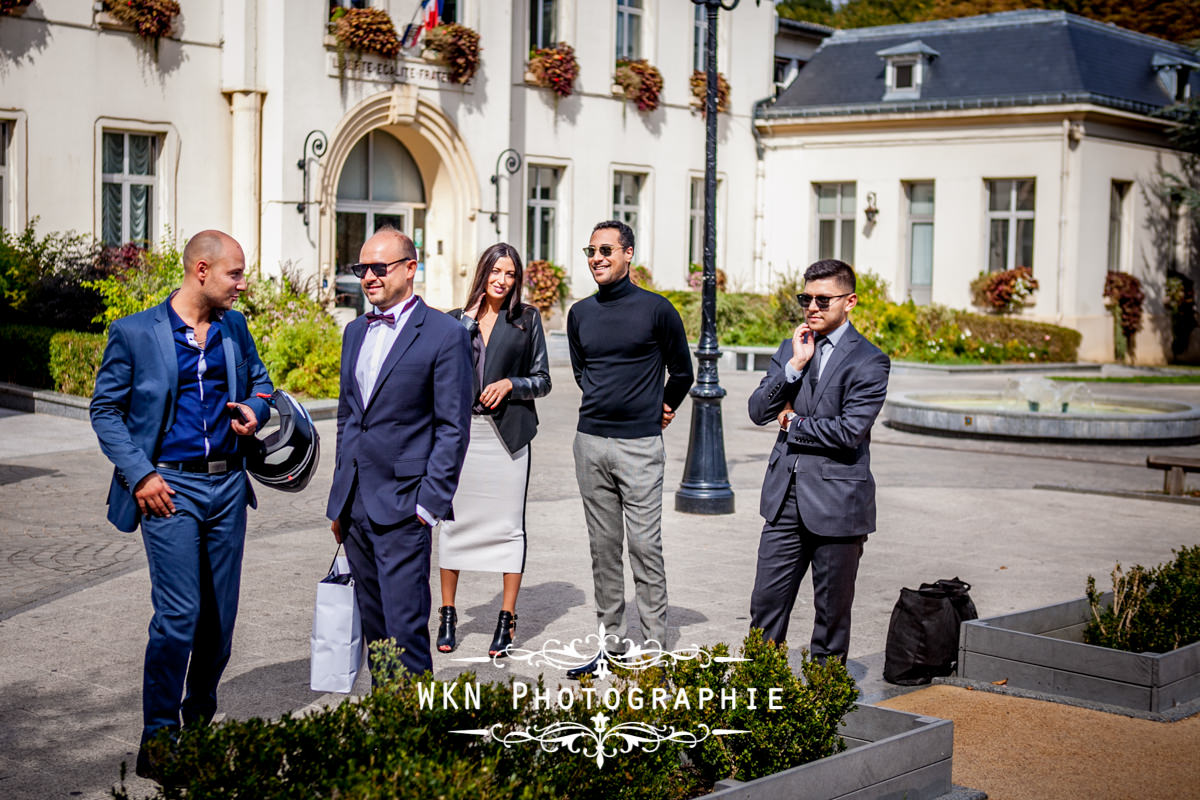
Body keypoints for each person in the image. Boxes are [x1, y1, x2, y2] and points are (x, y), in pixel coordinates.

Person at [89, 230, 274, 782]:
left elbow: (262, 383)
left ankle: (197, 730)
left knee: (219, 624)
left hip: (227, 488)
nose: (243, 284)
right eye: (234, 274)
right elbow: (104, 410)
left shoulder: (234, 327)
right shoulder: (134, 333)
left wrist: (254, 411)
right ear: (201, 270)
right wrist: (140, 473)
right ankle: (159, 740)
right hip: (169, 489)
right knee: (178, 617)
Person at [326, 226, 473, 678]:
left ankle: (417, 736)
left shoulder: (445, 335)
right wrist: (339, 497)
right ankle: (385, 732)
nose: (368, 276)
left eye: (378, 267)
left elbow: (453, 428)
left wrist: (429, 505)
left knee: (406, 631)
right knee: (375, 632)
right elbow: (349, 418)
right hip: (356, 509)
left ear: (411, 269)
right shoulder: (354, 331)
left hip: (407, 506)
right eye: (361, 268)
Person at [565, 220, 694, 678]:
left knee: (644, 546)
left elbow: (683, 372)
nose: (597, 258)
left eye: (606, 250)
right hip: (590, 443)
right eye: (591, 250)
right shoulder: (580, 313)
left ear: (628, 255)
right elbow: (584, 373)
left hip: (640, 446)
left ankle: (656, 648)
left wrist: (662, 407)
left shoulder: (657, 310)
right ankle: (610, 644)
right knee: (603, 549)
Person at [747, 258, 890, 664]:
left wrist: (793, 422)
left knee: (830, 618)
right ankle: (758, 691)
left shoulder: (869, 360)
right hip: (784, 500)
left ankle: (823, 708)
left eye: (823, 300)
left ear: (850, 302)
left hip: (837, 503)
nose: (812, 307)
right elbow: (758, 410)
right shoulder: (791, 349)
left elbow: (848, 433)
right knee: (765, 607)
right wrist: (794, 367)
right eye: (805, 298)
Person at [437, 243, 552, 657]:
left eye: (510, 274)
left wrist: (511, 385)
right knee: (452, 523)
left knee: (508, 527)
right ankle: (447, 613)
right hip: (461, 438)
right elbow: (442, 372)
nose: (502, 281)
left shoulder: (526, 320)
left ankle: (507, 618)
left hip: (508, 438)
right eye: (496, 272)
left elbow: (543, 379)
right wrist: (465, 323)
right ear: (483, 272)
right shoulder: (455, 321)